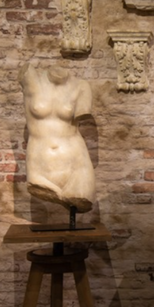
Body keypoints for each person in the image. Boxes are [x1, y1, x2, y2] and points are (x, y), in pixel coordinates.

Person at [19, 62, 96, 213]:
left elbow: (83, 113)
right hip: (39, 159)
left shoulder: (81, 86)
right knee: (40, 187)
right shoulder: (30, 77)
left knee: (81, 197)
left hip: (75, 161)